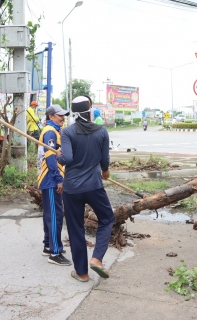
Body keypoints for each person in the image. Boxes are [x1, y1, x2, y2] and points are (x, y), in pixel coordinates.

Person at [58, 96, 114, 283]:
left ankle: (81, 273)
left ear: (74, 114)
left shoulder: (68, 132)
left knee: (76, 228)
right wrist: (105, 172)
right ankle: (97, 258)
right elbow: (104, 160)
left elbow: (67, 159)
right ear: (90, 112)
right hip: (94, 186)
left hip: (72, 189)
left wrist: (58, 156)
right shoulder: (102, 131)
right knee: (107, 218)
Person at [38, 104, 72, 266]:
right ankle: (55, 252)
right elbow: (50, 157)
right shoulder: (50, 131)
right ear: (51, 116)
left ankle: (47, 245)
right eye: (59, 115)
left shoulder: (52, 130)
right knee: (55, 215)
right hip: (51, 178)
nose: (62, 118)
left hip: (48, 178)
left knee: (50, 213)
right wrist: (58, 178)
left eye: (63, 115)